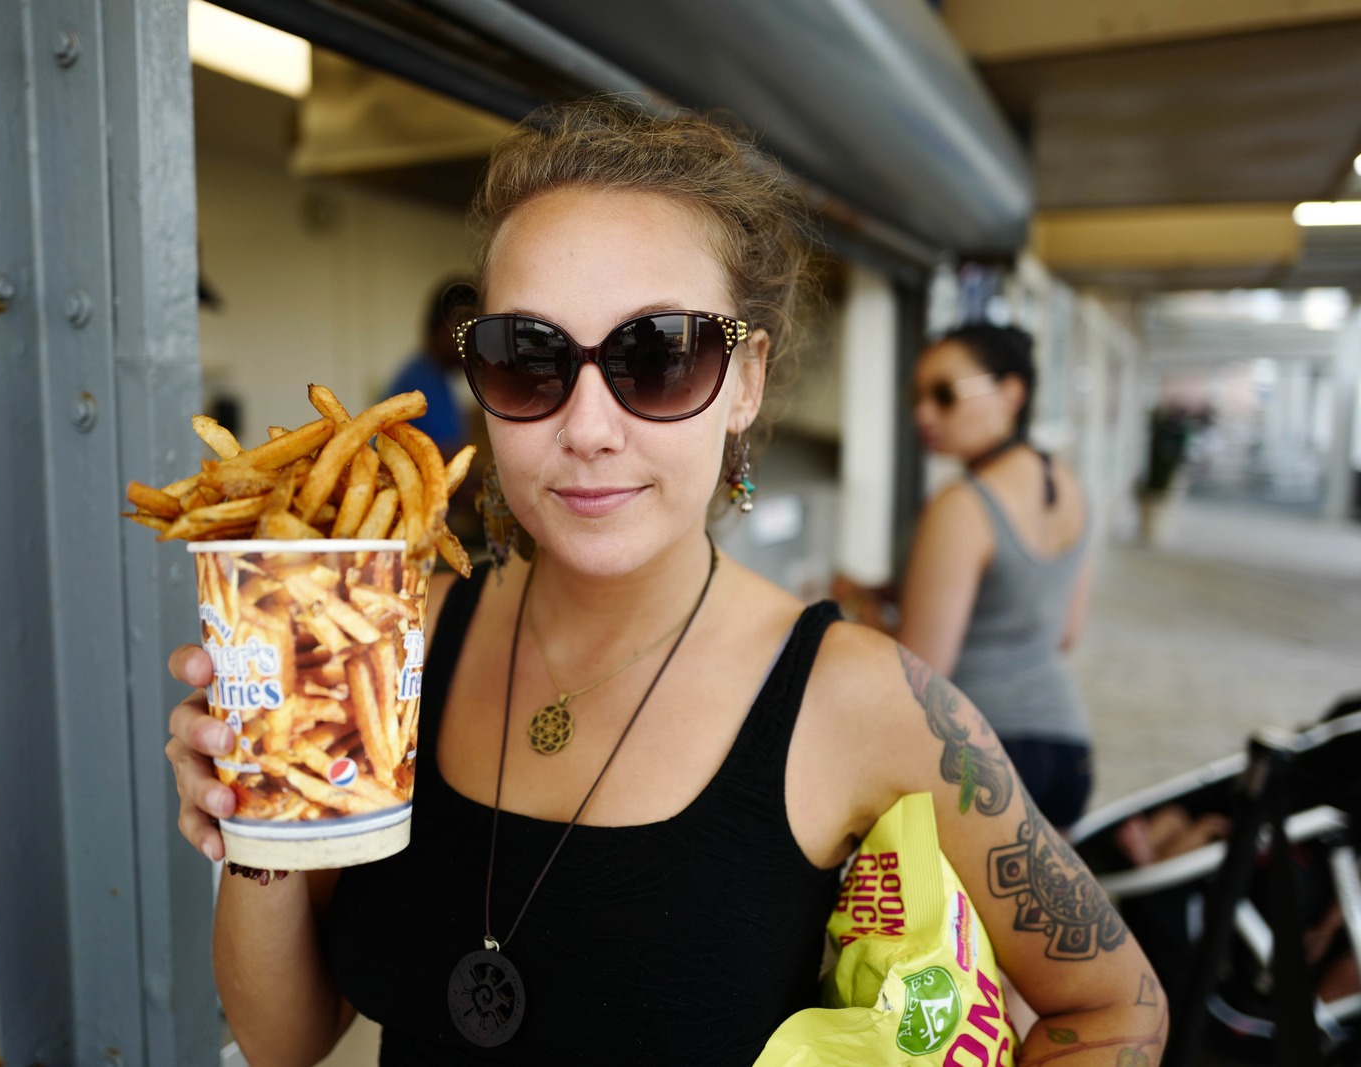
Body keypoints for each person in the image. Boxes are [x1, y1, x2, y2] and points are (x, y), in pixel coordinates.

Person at [165, 98, 1163, 1066]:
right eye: (528, 356)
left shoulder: (856, 699)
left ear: (745, 379)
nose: (589, 426)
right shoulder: (390, 642)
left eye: (659, 355)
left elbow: (1115, 1003)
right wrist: (259, 818)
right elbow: (284, 1039)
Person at [838, 325, 1096, 832]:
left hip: (986, 756)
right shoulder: (1070, 487)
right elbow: (1064, 632)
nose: (923, 413)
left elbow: (922, 667)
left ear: (1011, 394)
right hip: (1068, 752)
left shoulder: (963, 506)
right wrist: (879, 592)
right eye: (918, 396)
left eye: (944, 394)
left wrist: (854, 612)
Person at [381, 279, 475, 457]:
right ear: (443, 329)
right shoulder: (419, 381)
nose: (474, 346)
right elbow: (444, 458)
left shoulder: (439, 377)